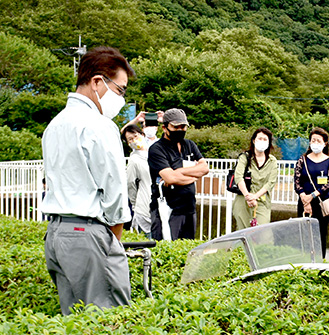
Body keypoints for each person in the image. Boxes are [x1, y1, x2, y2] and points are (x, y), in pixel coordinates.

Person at [41, 46, 135, 315]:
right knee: (109, 322)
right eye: (120, 90)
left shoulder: (55, 124)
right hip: (88, 233)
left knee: (75, 323)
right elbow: (115, 194)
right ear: (97, 82)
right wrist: (113, 241)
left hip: (56, 234)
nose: (121, 98)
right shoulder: (99, 124)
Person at [148, 108, 209, 241]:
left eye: (183, 127)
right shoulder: (157, 149)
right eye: (176, 127)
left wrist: (180, 172)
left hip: (189, 207)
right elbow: (170, 177)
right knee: (167, 247)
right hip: (167, 208)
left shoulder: (189, 145)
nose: (180, 130)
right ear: (165, 128)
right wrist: (194, 175)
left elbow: (204, 168)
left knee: (187, 249)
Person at [294, 127, 329, 258]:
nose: (315, 143)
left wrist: (312, 196)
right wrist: (303, 197)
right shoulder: (303, 160)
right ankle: (305, 261)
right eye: (313, 140)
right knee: (304, 233)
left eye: (319, 141)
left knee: (320, 233)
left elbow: (328, 183)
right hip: (303, 202)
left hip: (321, 202)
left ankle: (320, 262)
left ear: (325, 143)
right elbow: (297, 181)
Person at [233, 127, 278, 230]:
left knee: (262, 232)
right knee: (242, 231)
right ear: (254, 140)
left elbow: (270, 183)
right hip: (243, 199)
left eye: (265, 139)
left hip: (261, 201)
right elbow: (238, 176)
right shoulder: (245, 157)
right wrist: (248, 196)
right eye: (259, 139)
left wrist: (255, 196)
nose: (262, 142)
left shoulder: (272, 161)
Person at [121, 124, 153, 237]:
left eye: (136, 136)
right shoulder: (133, 160)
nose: (134, 140)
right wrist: (135, 205)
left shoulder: (154, 153)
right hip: (144, 207)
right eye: (130, 139)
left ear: (142, 135)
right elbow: (131, 185)